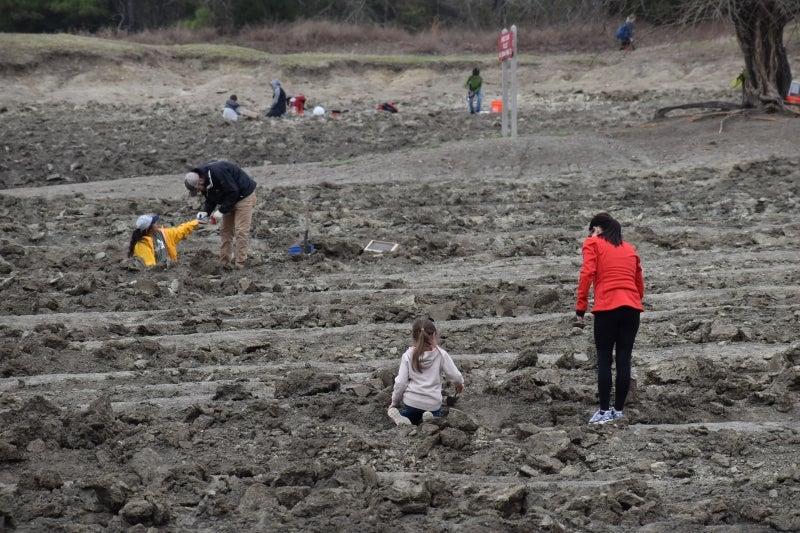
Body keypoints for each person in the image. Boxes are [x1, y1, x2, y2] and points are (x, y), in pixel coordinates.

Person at [575, 213, 644, 425]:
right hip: (631, 309)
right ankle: (619, 411)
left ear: (598, 228)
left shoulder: (593, 243)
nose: (589, 234)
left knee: (604, 359)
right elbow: (638, 279)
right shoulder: (630, 248)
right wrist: (634, 299)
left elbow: (587, 273)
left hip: (607, 308)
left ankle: (604, 412)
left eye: (591, 230)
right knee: (624, 359)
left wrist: (581, 307)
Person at [389, 318, 465, 426]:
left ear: (414, 336)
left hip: (412, 402)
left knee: (408, 415)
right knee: (436, 416)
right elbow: (455, 376)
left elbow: (401, 383)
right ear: (434, 334)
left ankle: (404, 418)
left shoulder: (408, 355)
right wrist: (459, 384)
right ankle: (429, 420)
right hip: (432, 404)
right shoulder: (441, 354)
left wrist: (394, 402)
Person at [184, 161, 257, 269]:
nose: (198, 192)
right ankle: (224, 263)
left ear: (200, 181)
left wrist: (221, 211)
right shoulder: (205, 183)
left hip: (243, 196)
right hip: (229, 199)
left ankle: (240, 263)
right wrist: (205, 213)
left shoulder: (217, 173)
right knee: (225, 231)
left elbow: (233, 191)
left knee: (241, 230)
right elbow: (210, 199)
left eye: (197, 189)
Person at [127, 214, 202, 267]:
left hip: (170, 270)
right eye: (154, 223)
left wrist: (195, 223)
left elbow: (179, 231)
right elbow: (150, 267)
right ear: (148, 228)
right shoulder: (142, 245)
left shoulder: (162, 233)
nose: (156, 224)